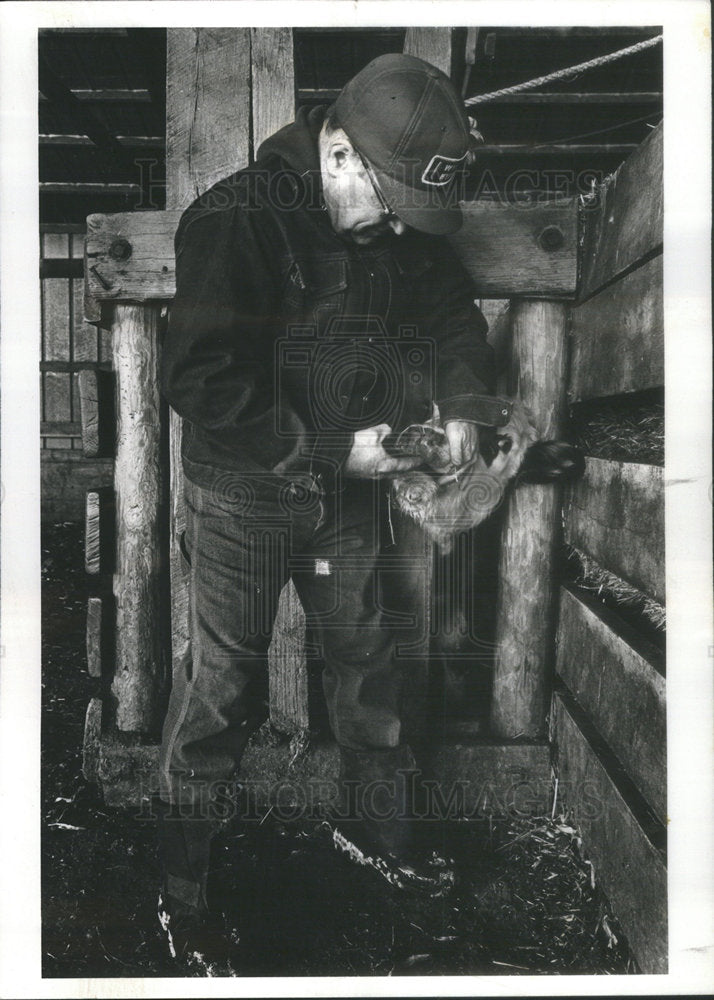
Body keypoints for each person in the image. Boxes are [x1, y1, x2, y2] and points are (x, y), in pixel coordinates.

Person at [156, 52, 499, 965]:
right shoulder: (236, 220)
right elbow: (199, 376)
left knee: (369, 662)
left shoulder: (394, 223)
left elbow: (455, 316)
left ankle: (376, 836)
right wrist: (325, 447)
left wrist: (463, 402)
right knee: (225, 686)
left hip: (344, 493)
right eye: (387, 201)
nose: (394, 226)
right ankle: (182, 893)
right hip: (242, 491)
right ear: (338, 152)